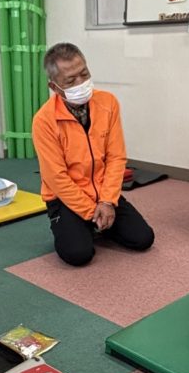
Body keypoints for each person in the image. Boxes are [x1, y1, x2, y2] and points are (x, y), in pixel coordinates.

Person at [32, 42, 155, 266]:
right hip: (66, 199)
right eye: (70, 80)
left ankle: (99, 222)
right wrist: (90, 211)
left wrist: (107, 201)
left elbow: (116, 157)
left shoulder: (108, 102)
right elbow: (55, 177)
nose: (80, 83)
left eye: (84, 74)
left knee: (143, 239)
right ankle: (89, 223)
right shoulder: (44, 121)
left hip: (103, 193)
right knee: (78, 254)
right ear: (54, 86)